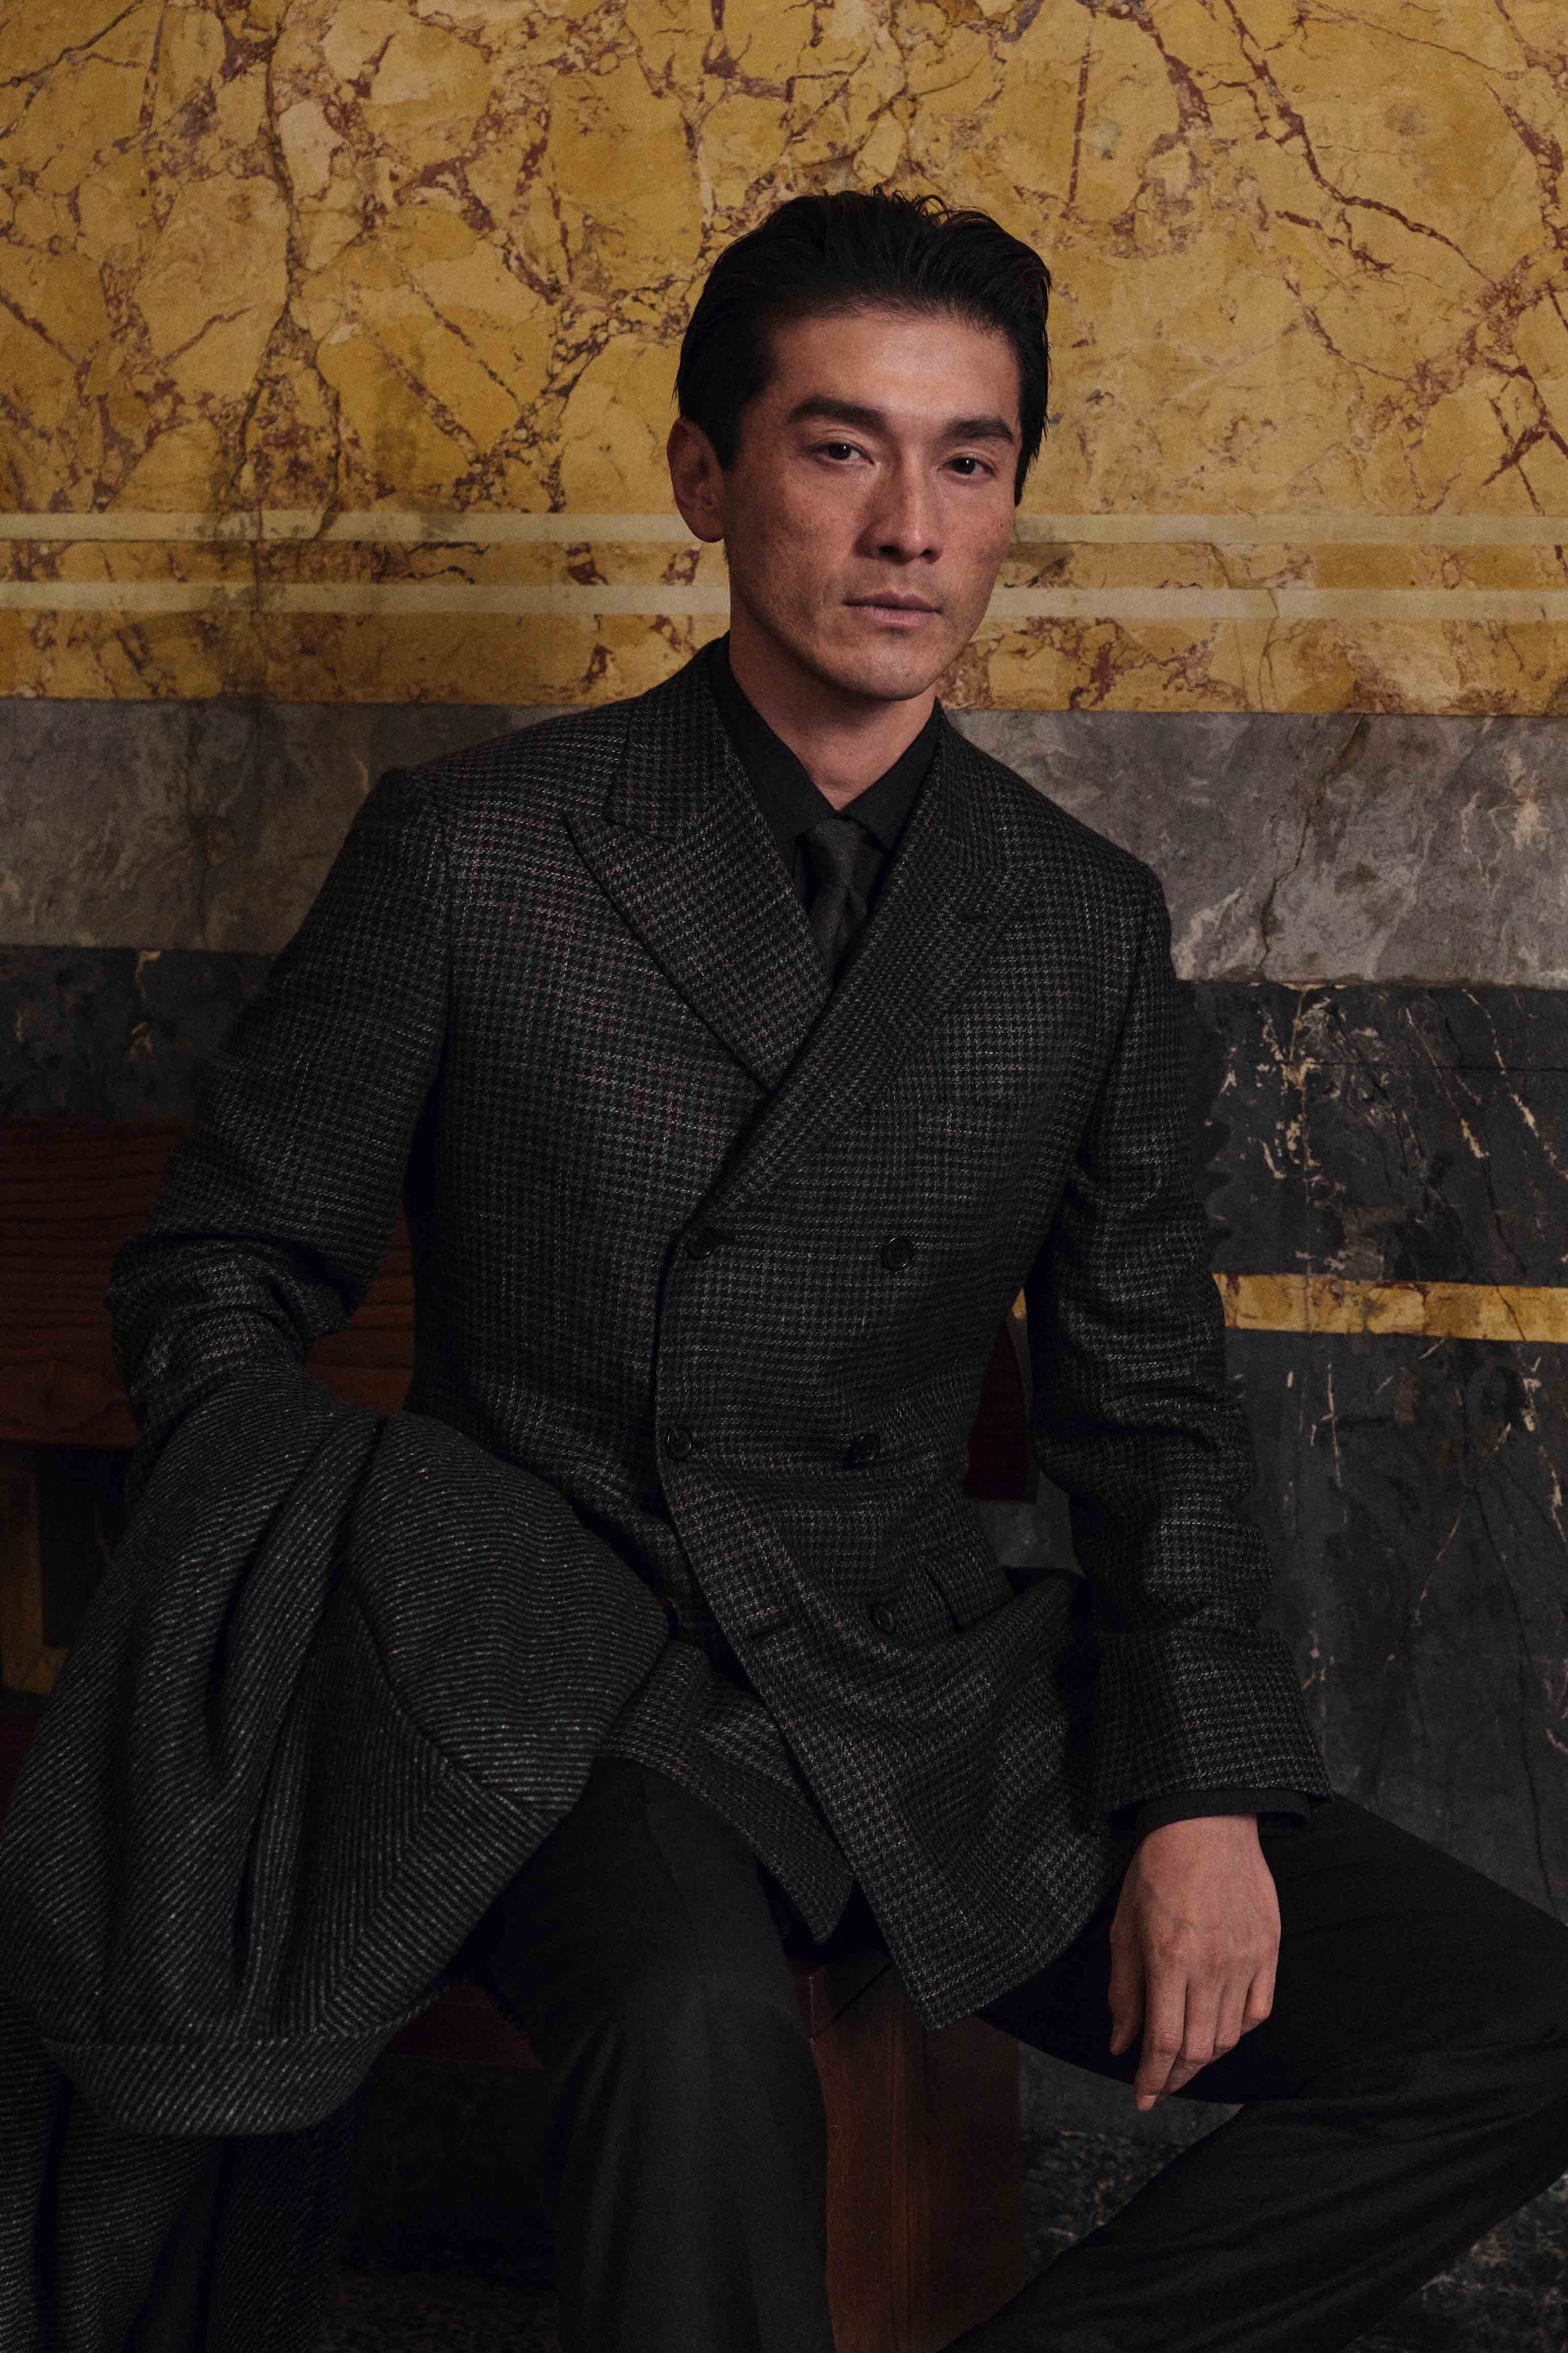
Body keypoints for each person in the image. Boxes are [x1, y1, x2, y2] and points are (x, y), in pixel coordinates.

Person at [48, 190, 1566, 2352]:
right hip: (566, 1681)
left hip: (922, 1678)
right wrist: (391, 1586)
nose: (908, 527)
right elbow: (216, 1272)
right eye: (840, 447)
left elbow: (1145, 1409)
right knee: (690, 2028)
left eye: (969, 460)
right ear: (705, 476)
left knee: (1506, 2023)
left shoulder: (1078, 920)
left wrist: (1200, 1786)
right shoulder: (480, 853)